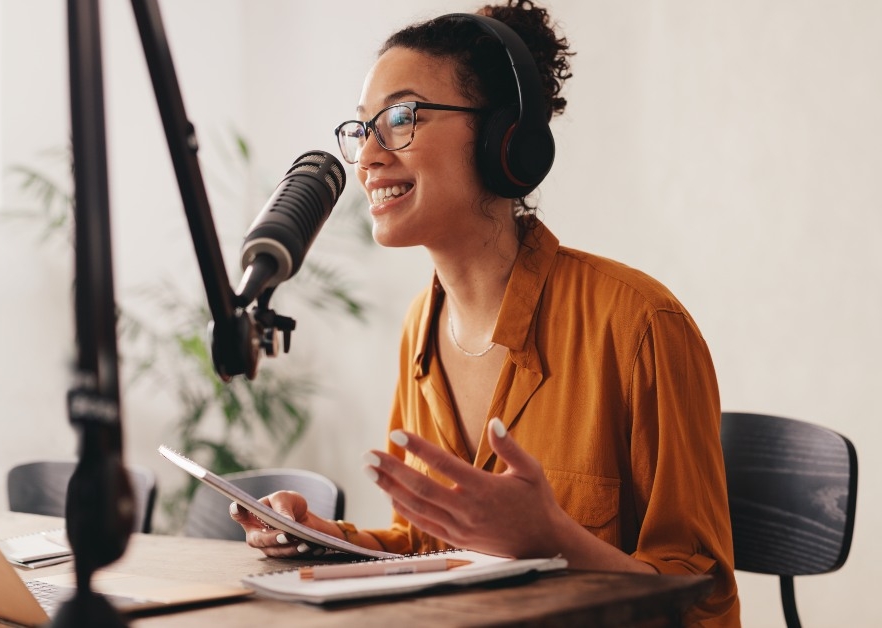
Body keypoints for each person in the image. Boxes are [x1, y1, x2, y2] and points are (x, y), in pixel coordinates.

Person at [229, 1, 739, 625]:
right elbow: (431, 551)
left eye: (401, 117)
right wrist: (327, 541)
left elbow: (705, 601)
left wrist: (553, 538)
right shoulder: (422, 328)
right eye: (363, 128)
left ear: (506, 141)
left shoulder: (637, 326)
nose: (368, 157)